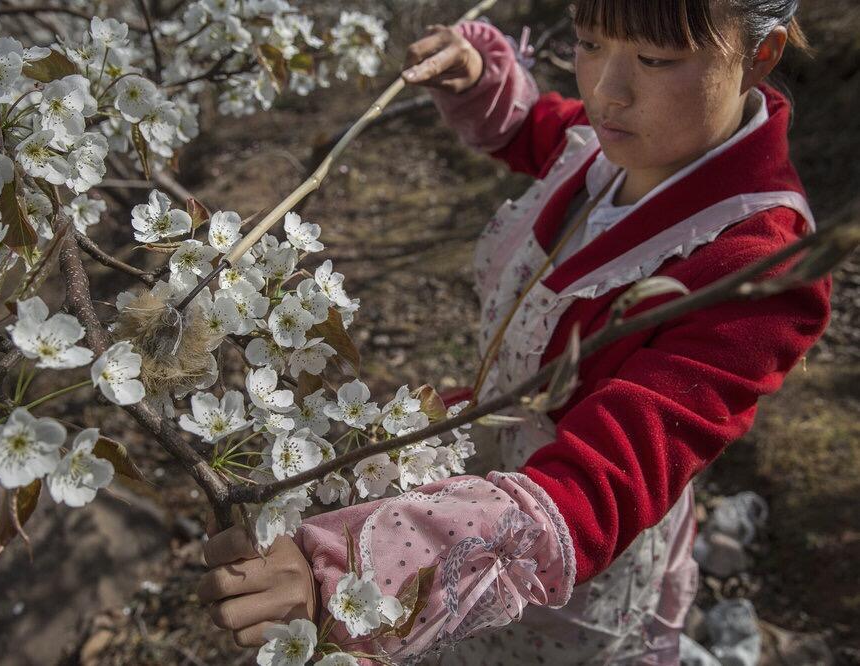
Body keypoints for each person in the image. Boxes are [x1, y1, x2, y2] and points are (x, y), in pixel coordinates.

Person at [196, 1, 833, 663]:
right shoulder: (623, 141)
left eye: (655, 60)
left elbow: (603, 480)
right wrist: (478, 78)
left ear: (761, 55)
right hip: (481, 461)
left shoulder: (758, 267)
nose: (607, 92)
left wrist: (354, 568)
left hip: (551, 551)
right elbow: (547, 135)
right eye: (590, 43)